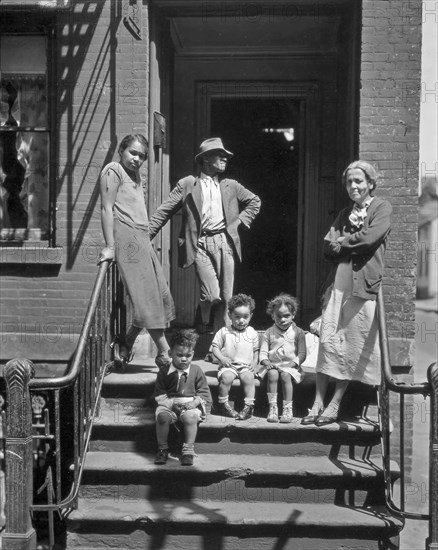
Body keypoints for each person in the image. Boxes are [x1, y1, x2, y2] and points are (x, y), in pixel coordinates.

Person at [301, 160, 392, 426]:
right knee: (328, 339)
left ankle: (334, 404)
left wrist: (343, 241)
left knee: (349, 344)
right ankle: (317, 402)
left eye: (359, 181)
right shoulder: (344, 213)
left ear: (370, 183)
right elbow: (328, 248)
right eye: (350, 182)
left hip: (362, 286)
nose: (353, 186)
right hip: (338, 282)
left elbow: (370, 239)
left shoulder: (381, 208)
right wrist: (344, 243)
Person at [148, 137, 261, 332]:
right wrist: (144, 236)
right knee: (211, 295)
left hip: (224, 242)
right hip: (199, 243)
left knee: (227, 297)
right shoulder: (188, 184)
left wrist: (238, 223)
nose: (225, 159)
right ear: (206, 159)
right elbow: (164, 211)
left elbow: (255, 201)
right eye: (220, 155)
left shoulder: (230, 185)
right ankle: (202, 320)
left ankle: (220, 340)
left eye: (226, 156)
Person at [98, 134, 175, 371]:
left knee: (159, 295)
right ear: (121, 150)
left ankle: (126, 344)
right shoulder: (113, 170)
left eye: (142, 155)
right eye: (133, 152)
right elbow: (106, 209)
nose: (137, 159)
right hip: (127, 237)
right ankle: (165, 354)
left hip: (142, 237)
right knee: (146, 298)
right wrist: (111, 247)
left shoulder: (135, 174)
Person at [153, 329, 212, 466]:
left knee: (190, 417)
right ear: (170, 353)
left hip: (190, 404)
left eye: (188, 355)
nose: (184, 359)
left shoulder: (196, 370)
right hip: (169, 404)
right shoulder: (164, 372)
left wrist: (194, 403)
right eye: (179, 355)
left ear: (193, 354)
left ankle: (188, 450)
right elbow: (159, 394)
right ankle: (162, 448)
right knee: (162, 417)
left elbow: (204, 392)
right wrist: (171, 404)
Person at [258, 294, 307, 423]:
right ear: (273, 316)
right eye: (278, 316)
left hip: (290, 366)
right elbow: (263, 352)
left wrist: (291, 364)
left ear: (293, 315)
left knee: (285, 375)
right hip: (273, 365)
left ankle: (287, 409)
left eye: (287, 316)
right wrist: (266, 362)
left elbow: (302, 354)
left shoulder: (299, 332)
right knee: (273, 374)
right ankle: (273, 408)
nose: (283, 320)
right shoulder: (269, 332)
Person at [212, 293, 260, 421]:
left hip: (245, 366)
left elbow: (256, 351)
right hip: (229, 365)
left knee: (249, 378)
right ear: (229, 315)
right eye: (237, 317)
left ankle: (249, 406)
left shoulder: (252, 332)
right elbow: (215, 348)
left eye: (245, 317)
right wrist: (222, 358)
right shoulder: (224, 331)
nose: (241, 320)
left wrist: (254, 364)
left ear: (251, 316)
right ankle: (222, 404)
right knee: (226, 378)